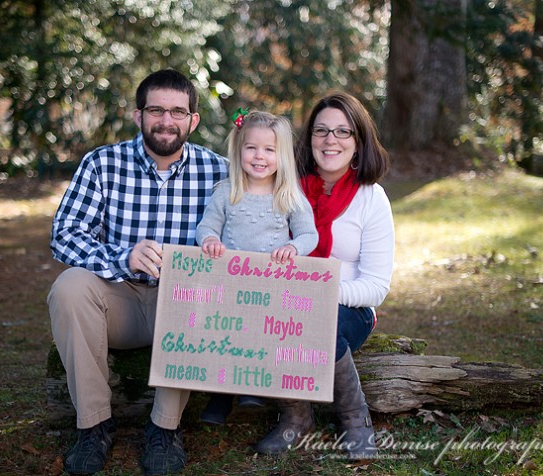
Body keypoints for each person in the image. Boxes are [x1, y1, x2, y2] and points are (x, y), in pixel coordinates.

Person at [47, 69, 228, 476]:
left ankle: (165, 429)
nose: (167, 120)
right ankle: (94, 425)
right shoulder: (102, 163)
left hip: (185, 310)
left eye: (178, 112)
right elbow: (64, 236)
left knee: (193, 286)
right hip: (120, 300)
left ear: (193, 120)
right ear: (138, 115)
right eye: (156, 110)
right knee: (69, 287)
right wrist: (122, 257)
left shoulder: (220, 172)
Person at [253, 92, 394, 459]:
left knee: (318, 321)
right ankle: (297, 418)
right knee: (281, 317)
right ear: (310, 138)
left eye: (343, 131)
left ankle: (355, 419)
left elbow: (376, 287)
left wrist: (321, 292)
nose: (331, 140)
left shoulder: (371, 198)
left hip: (349, 307)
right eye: (321, 130)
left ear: (359, 141)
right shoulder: (286, 188)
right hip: (282, 302)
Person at [195, 110, 319, 425]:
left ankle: (253, 386)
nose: (259, 156)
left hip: (270, 285)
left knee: (260, 333)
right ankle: (219, 396)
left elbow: (309, 234)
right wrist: (209, 240)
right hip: (228, 285)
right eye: (251, 148)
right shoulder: (226, 192)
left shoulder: (288, 195)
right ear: (238, 150)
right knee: (224, 335)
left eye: (269, 149)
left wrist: (293, 247)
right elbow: (206, 227)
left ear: (283, 155)